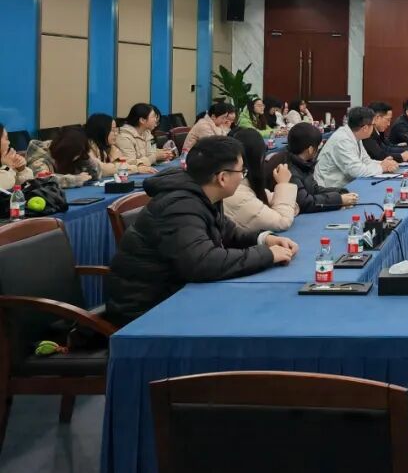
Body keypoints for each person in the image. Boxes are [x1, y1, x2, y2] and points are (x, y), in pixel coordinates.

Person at [105, 135, 297, 326]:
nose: (242, 176)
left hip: (176, 293)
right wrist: (267, 255)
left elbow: (230, 233)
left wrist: (265, 240)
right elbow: (203, 262)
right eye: (241, 171)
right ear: (222, 178)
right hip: (148, 311)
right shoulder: (179, 205)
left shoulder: (203, 194)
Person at [267, 123, 358, 214]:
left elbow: (313, 189)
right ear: (310, 149)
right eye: (318, 146)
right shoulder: (288, 169)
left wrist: (340, 192)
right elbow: (305, 203)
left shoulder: (302, 163)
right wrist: (339, 200)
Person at [223, 128, 300, 232]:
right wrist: (283, 184)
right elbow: (282, 222)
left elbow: (292, 207)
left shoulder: (246, 184)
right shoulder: (236, 194)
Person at [316, 106, 397, 189]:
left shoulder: (356, 135)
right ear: (365, 128)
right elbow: (356, 171)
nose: (373, 128)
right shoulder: (342, 139)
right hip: (328, 189)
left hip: (345, 184)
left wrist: (383, 163)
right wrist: (382, 167)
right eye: (373, 125)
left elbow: (366, 161)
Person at [86, 113, 155, 177]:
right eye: (112, 130)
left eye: (116, 130)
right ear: (101, 131)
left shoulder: (111, 147)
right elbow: (102, 169)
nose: (116, 134)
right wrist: (136, 169)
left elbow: (124, 162)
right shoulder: (86, 148)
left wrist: (140, 165)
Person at [26, 127, 99, 188]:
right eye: (76, 154)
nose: (77, 157)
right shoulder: (39, 158)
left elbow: (95, 174)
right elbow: (43, 180)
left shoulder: (74, 157)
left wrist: (85, 158)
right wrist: (76, 179)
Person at [0, 123, 32, 193]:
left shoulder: (5, 161)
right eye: (6, 139)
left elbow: (26, 188)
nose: (9, 142)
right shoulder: (7, 166)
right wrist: (7, 167)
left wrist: (22, 170)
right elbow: (3, 186)